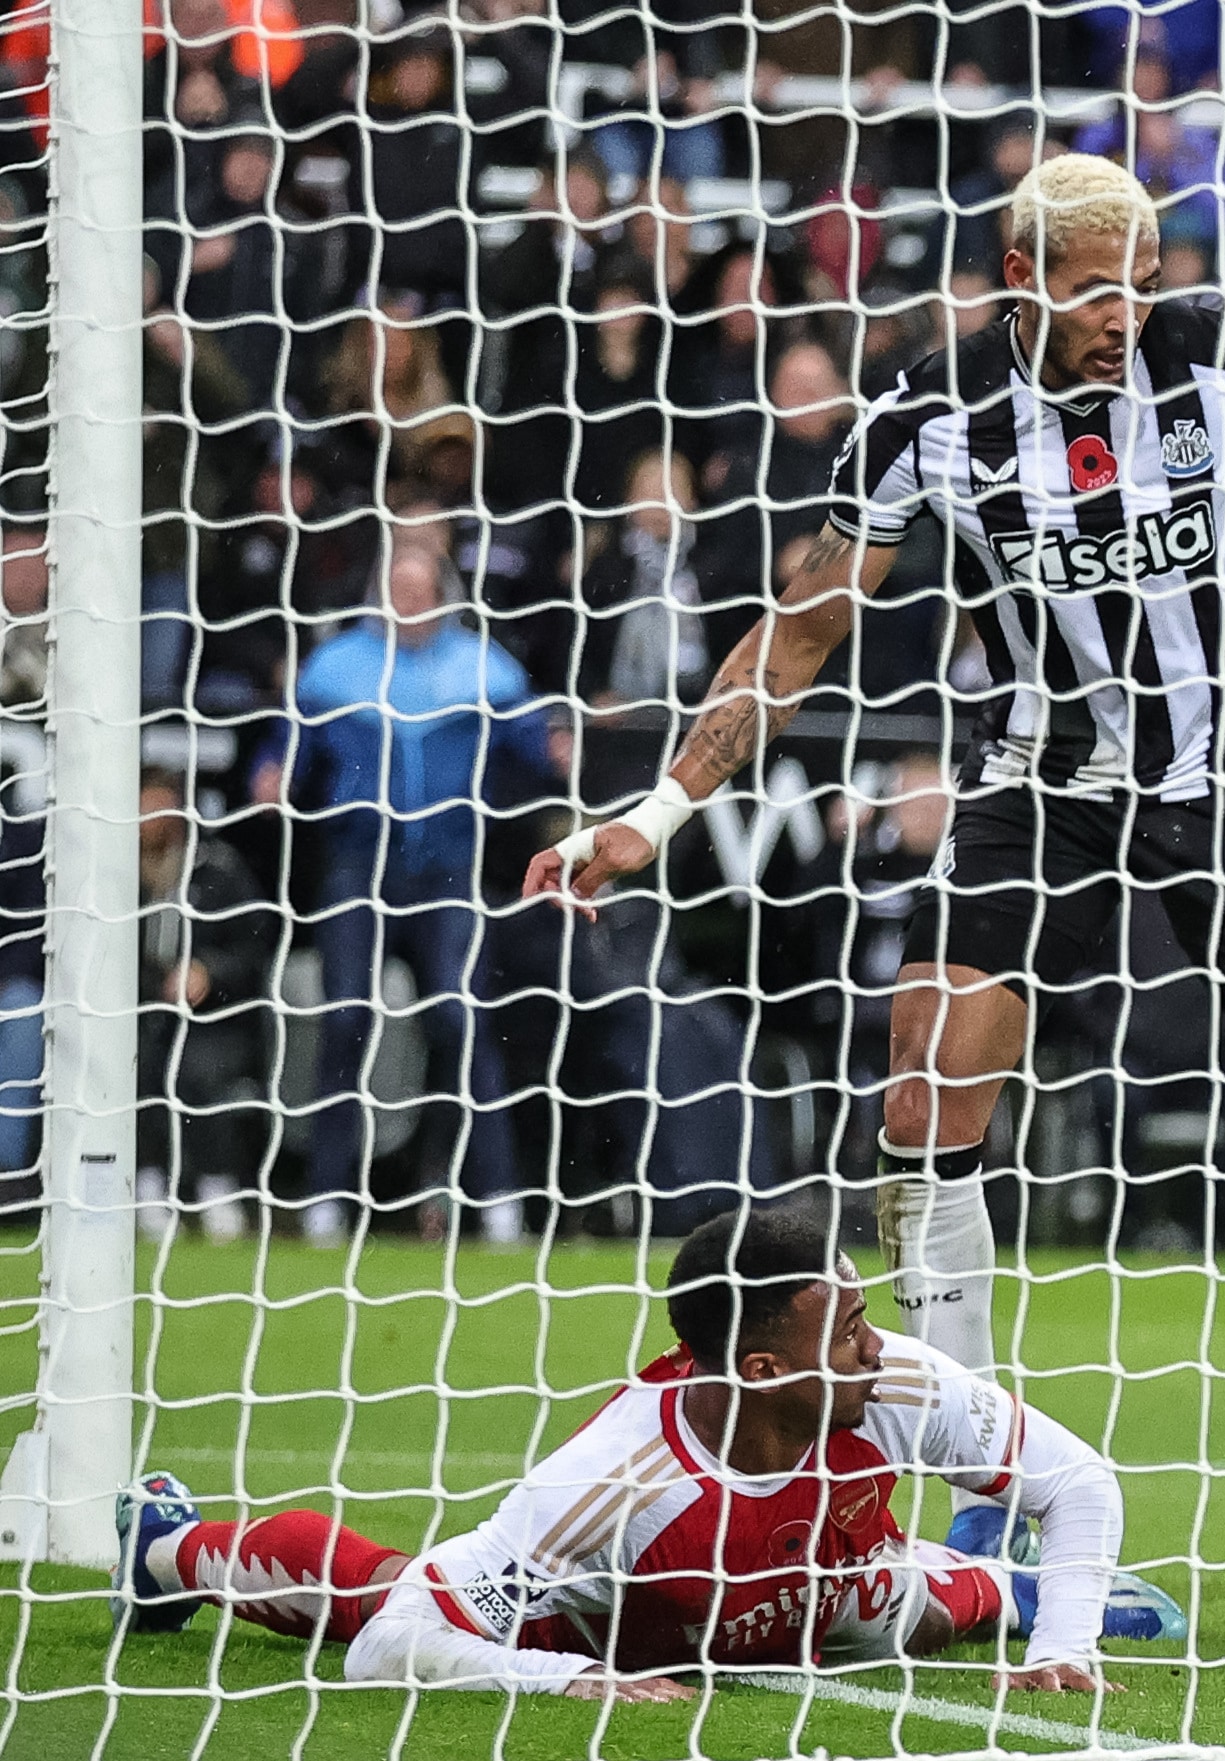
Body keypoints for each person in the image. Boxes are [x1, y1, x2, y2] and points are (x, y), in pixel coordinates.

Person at [524, 155, 1225, 1635]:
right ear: (1021, 276)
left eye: (1144, 277)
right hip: (1038, 784)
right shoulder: (928, 414)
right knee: (922, 1114)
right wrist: (652, 815)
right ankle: (983, 1496)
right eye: (1100, 283)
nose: (1128, 308)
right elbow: (796, 634)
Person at [110, 1207, 1169, 1690]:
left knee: (948, 1608)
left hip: (827, 1588)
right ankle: (166, 1549)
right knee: (384, 1597)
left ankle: (1016, 1592)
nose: (874, 1343)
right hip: (613, 1625)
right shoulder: (613, 1483)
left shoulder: (889, 1379)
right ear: (758, 1367)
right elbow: (394, 1647)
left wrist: (1061, 1647)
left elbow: (1076, 1481)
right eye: (842, 1329)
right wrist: (561, 1680)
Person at [260, 543, 560, 1248]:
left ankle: (496, 1199)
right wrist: (274, 772)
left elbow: (532, 743)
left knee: (462, 1024)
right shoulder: (336, 667)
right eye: (398, 587)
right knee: (345, 1021)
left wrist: (558, 748)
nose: (410, 600)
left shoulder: (483, 666)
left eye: (421, 588)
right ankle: (328, 1198)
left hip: (451, 866)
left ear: (442, 593)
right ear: (379, 592)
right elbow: (289, 743)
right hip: (358, 864)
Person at [133, 769, 274, 1243]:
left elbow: (257, 945)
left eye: (159, 808)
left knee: (197, 1072)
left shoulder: (217, 871)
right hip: (139, 1014)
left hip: (215, 1018)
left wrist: (209, 970)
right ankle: (147, 1186)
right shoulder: (111, 874)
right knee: (136, 1066)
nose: (150, 820)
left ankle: (218, 1186)